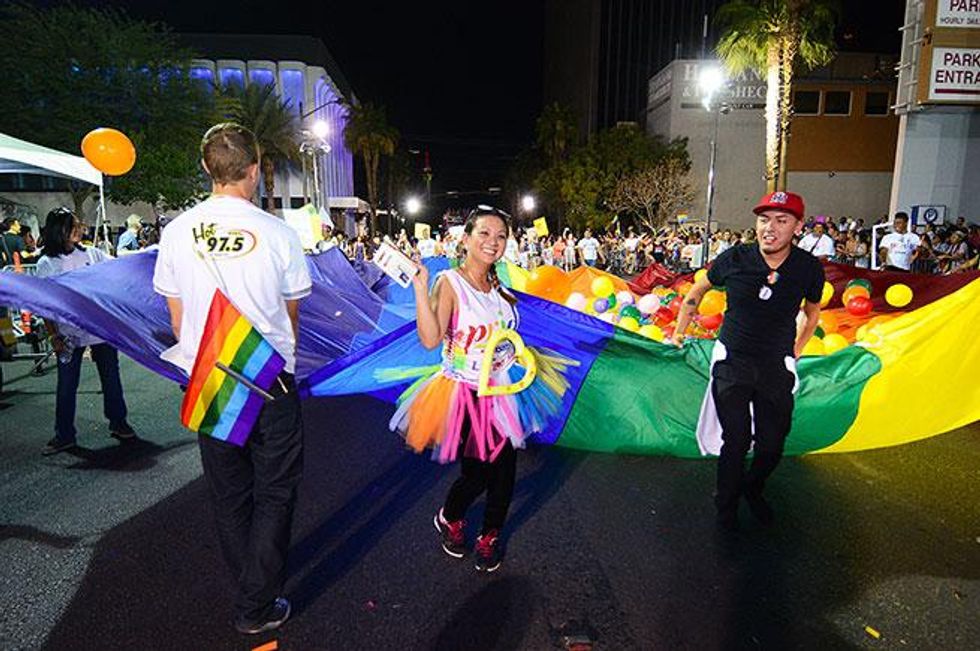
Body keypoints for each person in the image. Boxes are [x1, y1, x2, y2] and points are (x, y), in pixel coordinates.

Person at [152, 123, 311, 635]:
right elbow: (291, 318)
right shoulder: (280, 233)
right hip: (270, 381)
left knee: (230, 494)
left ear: (206, 168)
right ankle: (255, 603)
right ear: (256, 168)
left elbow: (178, 323)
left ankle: (253, 591)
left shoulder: (176, 233)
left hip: (212, 377)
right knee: (275, 492)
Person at [389, 206, 574, 572]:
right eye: (484, 234)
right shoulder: (450, 283)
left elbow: (505, 335)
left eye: (501, 236)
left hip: (504, 389)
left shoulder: (500, 286)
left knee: (503, 468)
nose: (493, 242)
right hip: (466, 392)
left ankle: (490, 534)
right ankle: (450, 515)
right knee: (478, 473)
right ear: (466, 238)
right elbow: (430, 339)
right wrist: (421, 288)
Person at [674, 191, 823, 531]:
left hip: (775, 366)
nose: (769, 228)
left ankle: (752, 488)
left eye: (781, 221)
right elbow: (696, 293)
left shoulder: (807, 267)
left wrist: (796, 350)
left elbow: (812, 314)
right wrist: (678, 333)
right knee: (736, 438)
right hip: (732, 362)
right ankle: (725, 506)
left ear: (797, 227)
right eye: (764, 219)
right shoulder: (735, 258)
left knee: (772, 444)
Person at [36, 208, 136, 456]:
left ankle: (118, 422)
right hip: (68, 334)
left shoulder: (92, 254)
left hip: (101, 330)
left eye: (79, 225)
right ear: (60, 231)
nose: (80, 229)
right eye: (74, 226)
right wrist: (53, 335)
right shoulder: (46, 264)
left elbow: (118, 271)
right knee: (67, 385)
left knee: (111, 378)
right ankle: (64, 434)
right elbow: (44, 304)